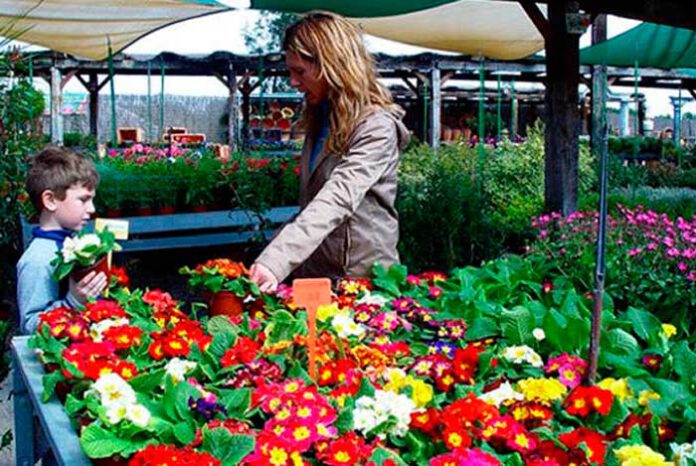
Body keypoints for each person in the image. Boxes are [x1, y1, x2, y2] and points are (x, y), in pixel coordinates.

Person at [249, 11, 409, 292]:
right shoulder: (322, 119)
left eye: (300, 71)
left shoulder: (376, 128)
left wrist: (276, 260)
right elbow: (312, 204)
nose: (293, 82)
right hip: (317, 273)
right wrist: (273, 255)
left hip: (361, 281)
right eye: (291, 71)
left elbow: (337, 198)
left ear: (333, 66)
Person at [17, 147, 108, 334]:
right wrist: (72, 302)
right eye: (83, 200)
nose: (91, 208)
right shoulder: (38, 260)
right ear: (50, 200)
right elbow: (29, 325)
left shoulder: (72, 242)